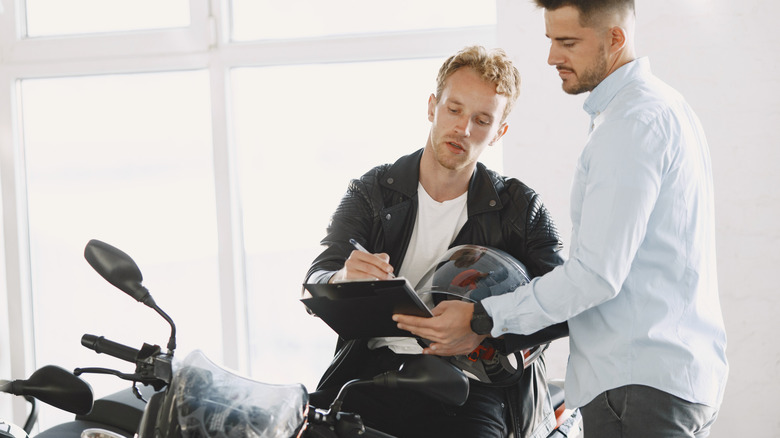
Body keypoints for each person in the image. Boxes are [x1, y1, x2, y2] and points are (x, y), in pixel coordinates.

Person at [394, 1, 728, 437]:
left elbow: (594, 277)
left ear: (615, 39)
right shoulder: (663, 108)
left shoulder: (630, 124)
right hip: (668, 377)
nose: (552, 57)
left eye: (567, 42)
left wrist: (481, 318)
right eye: (551, 39)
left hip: (636, 384)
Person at [304, 45, 568, 438]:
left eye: (482, 120)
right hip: (372, 373)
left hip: (471, 388)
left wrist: (484, 325)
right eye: (454, 109)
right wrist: (342, 276)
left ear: (499, 132)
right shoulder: (371, 191)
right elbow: (318, 276)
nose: (463, 129)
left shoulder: (521, 207)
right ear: (432, 107)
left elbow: (567, 302)